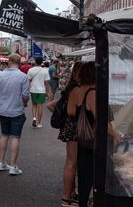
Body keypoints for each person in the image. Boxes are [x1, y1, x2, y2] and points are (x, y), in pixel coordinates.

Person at [0, 53, 30, 176]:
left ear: (9, 62)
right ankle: (13, 166)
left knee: (4, 135)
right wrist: (25, 103)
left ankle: (1, 162)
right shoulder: (23, 77)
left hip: (2, 110)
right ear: (19, 63)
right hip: (17, 110)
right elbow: (25, 96)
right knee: (15, 137)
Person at [48, 61, 82, 207]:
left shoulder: (70, 87)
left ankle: (71, 193)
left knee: (73, 162)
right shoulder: (76, 89)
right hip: (76, 128)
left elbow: (51, 105)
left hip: (71, 128)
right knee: (72, 162)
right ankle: (66, 197)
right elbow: (72, 111)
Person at [67, 61, 96, 207]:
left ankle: (77, 199)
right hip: (92, 138)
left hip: (79, 134)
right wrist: (116, 135)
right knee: (90, 171)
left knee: (80, 168)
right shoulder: (92, 93)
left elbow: (70, 112)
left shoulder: (76, 91)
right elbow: (101, 121)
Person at [27, 57, 52, 128]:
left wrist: (28, 90)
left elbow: (28, 81)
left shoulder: (30, 70)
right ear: (42, 62)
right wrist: (48, 92)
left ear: (35, 61)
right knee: (40, 106)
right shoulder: (44, 71)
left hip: (33, 90)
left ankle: (34, 118)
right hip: (41, 91)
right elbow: (46, 83)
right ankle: (38, 123)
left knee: (34, 105)